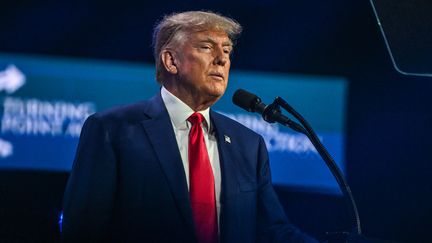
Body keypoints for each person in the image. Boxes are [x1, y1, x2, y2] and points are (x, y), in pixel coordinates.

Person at [62, 11, 318, 243]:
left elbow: (272, 230)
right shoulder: (112, 130)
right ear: (171, 61)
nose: (221, 60)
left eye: (227, 51)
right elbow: (83, 231)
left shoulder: (249, 145)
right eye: (207, 47)